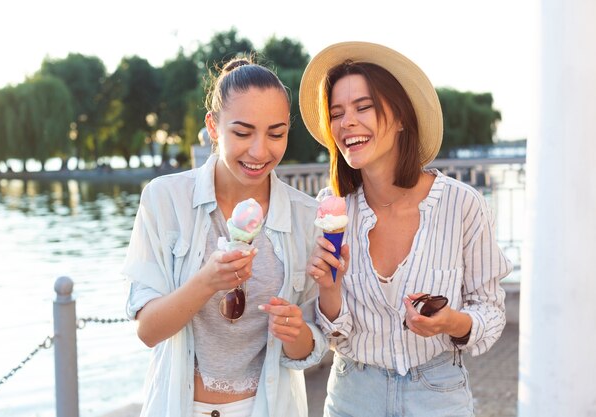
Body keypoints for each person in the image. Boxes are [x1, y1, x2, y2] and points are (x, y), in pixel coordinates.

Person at [300, 41, 513, 416]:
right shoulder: (332, 211)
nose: (346, 122)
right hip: (353, 394)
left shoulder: (461, 205)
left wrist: (454, 322)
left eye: (362, 107)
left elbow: (491, 311)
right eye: (336, 113)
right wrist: (329, 289)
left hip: (438, 393)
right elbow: (333, 334)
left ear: (400, 118)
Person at [123, 57, 328, 417]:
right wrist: (206, 281)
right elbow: (148, 331)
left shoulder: (305, 216)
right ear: (213, 127)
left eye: (276, 134)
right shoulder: (165, 199)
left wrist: (296, 333)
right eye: (243, 132)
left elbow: (311, 346)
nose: (260, 151)